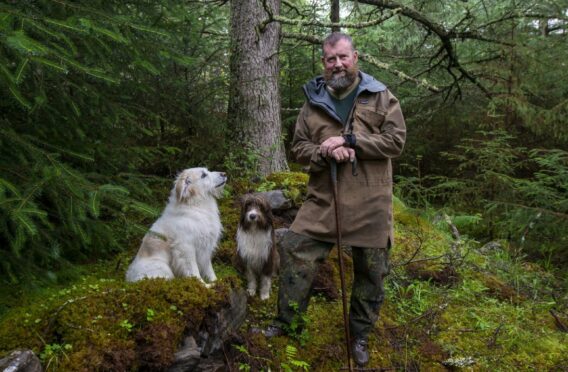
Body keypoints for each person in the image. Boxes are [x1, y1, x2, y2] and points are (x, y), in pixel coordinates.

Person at [259, 32, 406, 367]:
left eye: (342, 57)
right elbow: (298, 148)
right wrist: (324, 151)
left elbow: (396, 142)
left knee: (372, 270)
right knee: (296, 248)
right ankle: (287, 323)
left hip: (371, 201)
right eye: (330, 59)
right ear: (323, 63)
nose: (337, 64)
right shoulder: (312, 102)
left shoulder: (381, 96)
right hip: (323, 200)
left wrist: (352, 140)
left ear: (355, 57)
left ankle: (360, 335)